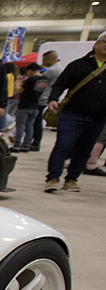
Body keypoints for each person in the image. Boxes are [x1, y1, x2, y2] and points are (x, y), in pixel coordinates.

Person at [43, 31, 106, 192]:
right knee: (64, 144)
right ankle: (52, 178)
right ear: (96, 44)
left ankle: (71, 179)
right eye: (105, 42)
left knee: (85, 149)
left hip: (99, 117)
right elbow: (60, 84)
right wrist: (53, 99)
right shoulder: (79, 65)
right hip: (73, 114)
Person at [11, 62, 48, 152]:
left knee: (20, 126)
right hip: (35, 105)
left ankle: (16, 145)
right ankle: (26, 145)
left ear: (30, 70)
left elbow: (18, 90)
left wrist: (18, 81)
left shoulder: (31, 79)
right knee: (30, 126)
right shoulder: (45, 79)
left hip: (24, 105)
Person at [32, 49, 63, 151]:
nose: (43, 61)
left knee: (35, 120)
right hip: (47, 97)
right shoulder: (59, 69)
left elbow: (40, 85)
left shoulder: (51, 71)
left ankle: (35, 141)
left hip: (42, 98)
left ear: (50, 59)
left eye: (44, 59)